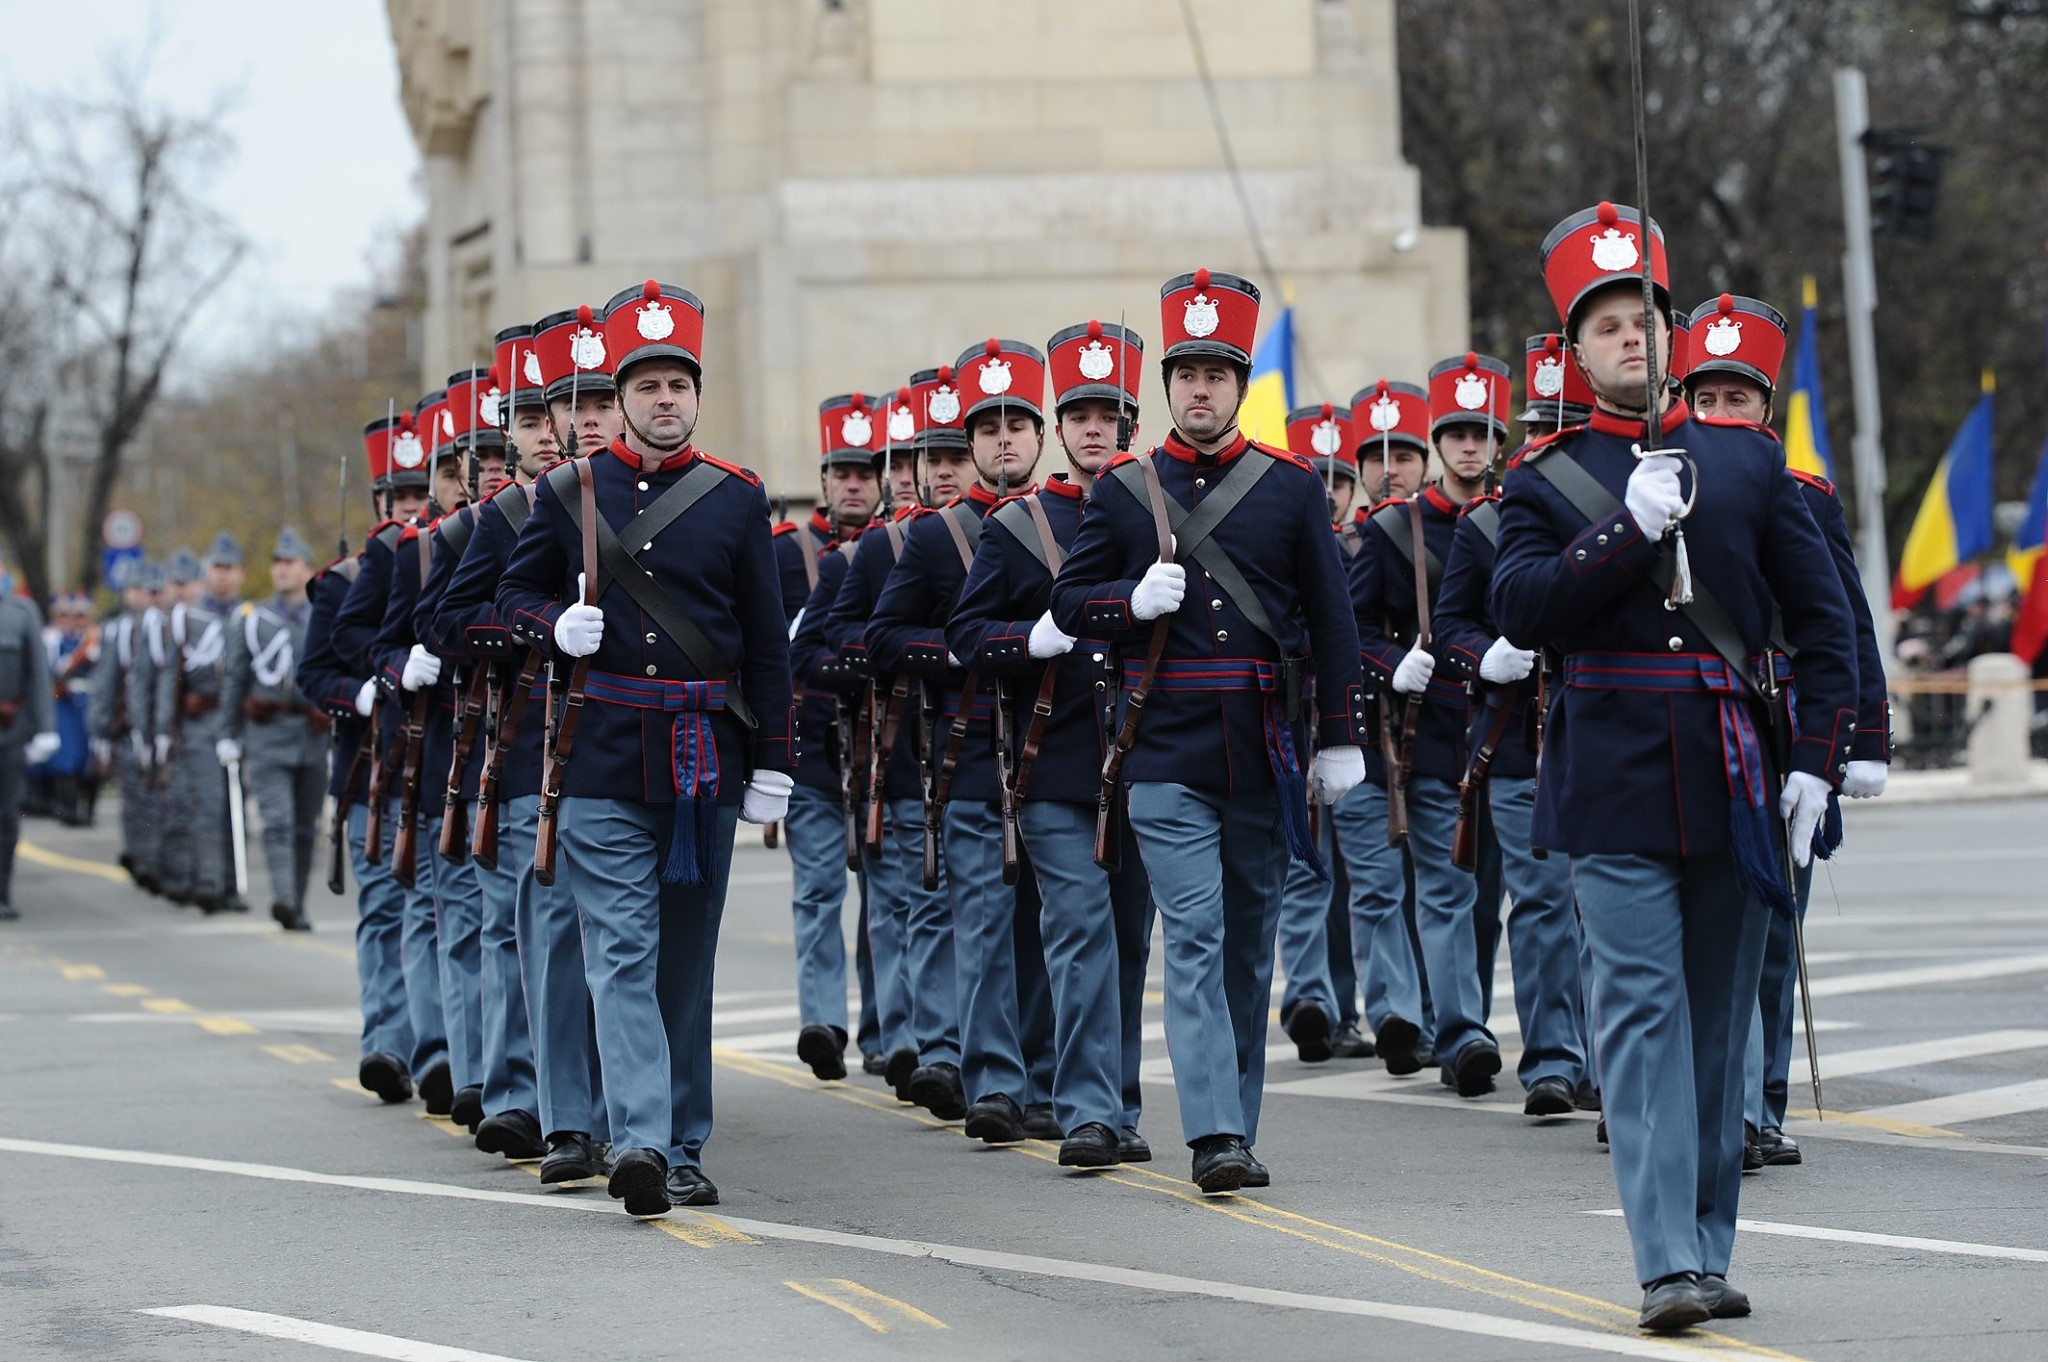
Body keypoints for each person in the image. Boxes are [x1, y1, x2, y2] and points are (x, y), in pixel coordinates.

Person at [1493, 202, 1858, 1330]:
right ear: (1571, 351)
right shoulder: (1543, 481)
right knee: (1642, 1014)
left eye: (1644, 318)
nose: (1628, 340)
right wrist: (1624, 528)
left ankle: (1706, 1239)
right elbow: (1520, 611)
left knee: (1711, 1023)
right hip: (1607, 774)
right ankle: (1662, 1261)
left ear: (1673, 331)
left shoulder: (1745, 463)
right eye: (1603, 326)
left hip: (1732, 772)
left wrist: (1817, 762)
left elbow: (1825, 622)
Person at [1051, 269, 1367, 1192]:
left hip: (1264, 743)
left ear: (1239, 383)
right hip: (1165, 746)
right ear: (1166, 387)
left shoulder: (1292, 487)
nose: (1199, 388)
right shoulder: (1120, 492)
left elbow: (1332, 620)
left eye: (1217, 373)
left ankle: (1237, 1119)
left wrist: (1338, 735)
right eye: (1185, 372)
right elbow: (1070, 603)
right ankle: (1215, 1136)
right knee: (1191, 933)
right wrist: (1126, 599)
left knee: (1246, 941)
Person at [498, 279, 795, 1216]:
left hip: (704, 757)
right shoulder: (567, 494)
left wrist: (776, 763)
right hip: (598, 758)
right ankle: (641, 1143)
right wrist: (553, 624)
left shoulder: (737, 500)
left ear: (697, 394)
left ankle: (682, 1138)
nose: (665, 400)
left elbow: (764, 642)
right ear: (618, 396)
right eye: (647, 385)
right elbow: (498, 602)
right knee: (618, 953)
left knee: (682, 962)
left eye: (679, 384)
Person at [1680, 291, 1891, 1169]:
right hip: (1687, 722)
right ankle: (1690, 1097)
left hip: (1779, 726)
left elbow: (1843, 619)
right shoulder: (1657, 482)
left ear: (1767, 408)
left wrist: (1863, 739)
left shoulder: (1803, 495)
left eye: (1740, 399)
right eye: (1707, 398)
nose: (1723, 416)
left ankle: (1760, 1106)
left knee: (1770, 928)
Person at [947, 318, 1158, 1165]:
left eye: (1109, 413)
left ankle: (1122, 1101)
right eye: (1078, 414)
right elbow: (968, 634)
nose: (1094, 427)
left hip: (1149, 755)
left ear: (1130, 426)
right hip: (1057, 758)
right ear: (1057, 428)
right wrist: (1026, 642)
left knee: (1131, 938)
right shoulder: (1018, 524)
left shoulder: (1162, 512)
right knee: (1078, 930)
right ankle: (1086, 1111)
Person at [432, 320, 613, 1180]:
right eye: (540, 415)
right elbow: (446, 623)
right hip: (528, 747)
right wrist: (534, 633)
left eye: (576, 409)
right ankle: (519, 1093)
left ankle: (611, 1101)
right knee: (530, 931)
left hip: (620, 748)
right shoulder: (501, 517)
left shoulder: (628, 499)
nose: (559, 429)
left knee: (615, 939)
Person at [823, 370, 976, 1116]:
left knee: (963, 901)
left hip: (990, 748)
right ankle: (912, 1035)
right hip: (903, 746)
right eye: (928, 457)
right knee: (912, 898)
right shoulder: (882, 550)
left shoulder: (1012, 530)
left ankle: (954, 1041)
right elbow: (836, 643)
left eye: (954, 455)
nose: (942, 470)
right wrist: (935, 655)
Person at [319, 407, 454, 1113]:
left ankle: (434, 1051)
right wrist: (365, 692)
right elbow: (318, 669)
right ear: (379, 502)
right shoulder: (346, 577)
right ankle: (387, 1044)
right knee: (383, 908)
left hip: (428, 765)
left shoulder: (441, 549)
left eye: (415, 491)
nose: (407, 503)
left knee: (432, 910)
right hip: (372, 767)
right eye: (396, 495)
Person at [781, 392, 884, 1081]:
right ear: (822, 479)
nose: (853, 484)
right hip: (812, 749)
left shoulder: (900, 547)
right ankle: (824, 1020)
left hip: (885, 749)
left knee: (887, 894)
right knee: (817, 890)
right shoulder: (785, 554)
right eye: (841, 471)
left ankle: (883, 1028)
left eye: (865, 472)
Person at [220, 527, 328, 933]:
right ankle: (283, 897)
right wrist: (227, 733)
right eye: (277, 563)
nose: (282, 570)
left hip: (312, 735)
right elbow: (235, 679)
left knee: (305, 827)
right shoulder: (253, 618)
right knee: (278, 822)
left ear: (307, 569)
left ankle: (296, 903)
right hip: (268, 733)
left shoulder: (324, 614)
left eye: (290, 563)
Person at [157, 531, 250, 915]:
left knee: (234, 806)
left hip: (243, 723)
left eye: (229, 569)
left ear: (241, 574)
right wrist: (165, 727)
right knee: (208, 805)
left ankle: (229, 884)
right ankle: (210, 885)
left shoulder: (250, 616)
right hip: (201, 720)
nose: (222, 577)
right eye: (216, 568)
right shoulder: (189, 620)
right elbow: (169, 678)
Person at [92, 560, 162, 892]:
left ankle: (155, 859)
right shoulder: (116, 630)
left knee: (161, 796)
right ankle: (140, 856)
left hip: (160, 723)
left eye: (150, 590)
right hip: (127, 724)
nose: (143, 597)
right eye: (136, 589)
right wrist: (101, 730)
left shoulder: (166, 625)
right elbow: (106, 682)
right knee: (135, 795)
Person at [0, 566, 58, 921]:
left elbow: (38, 674)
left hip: (10, 733)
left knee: (7, 817)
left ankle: (2, 891)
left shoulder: (22, 614)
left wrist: (46, 728)